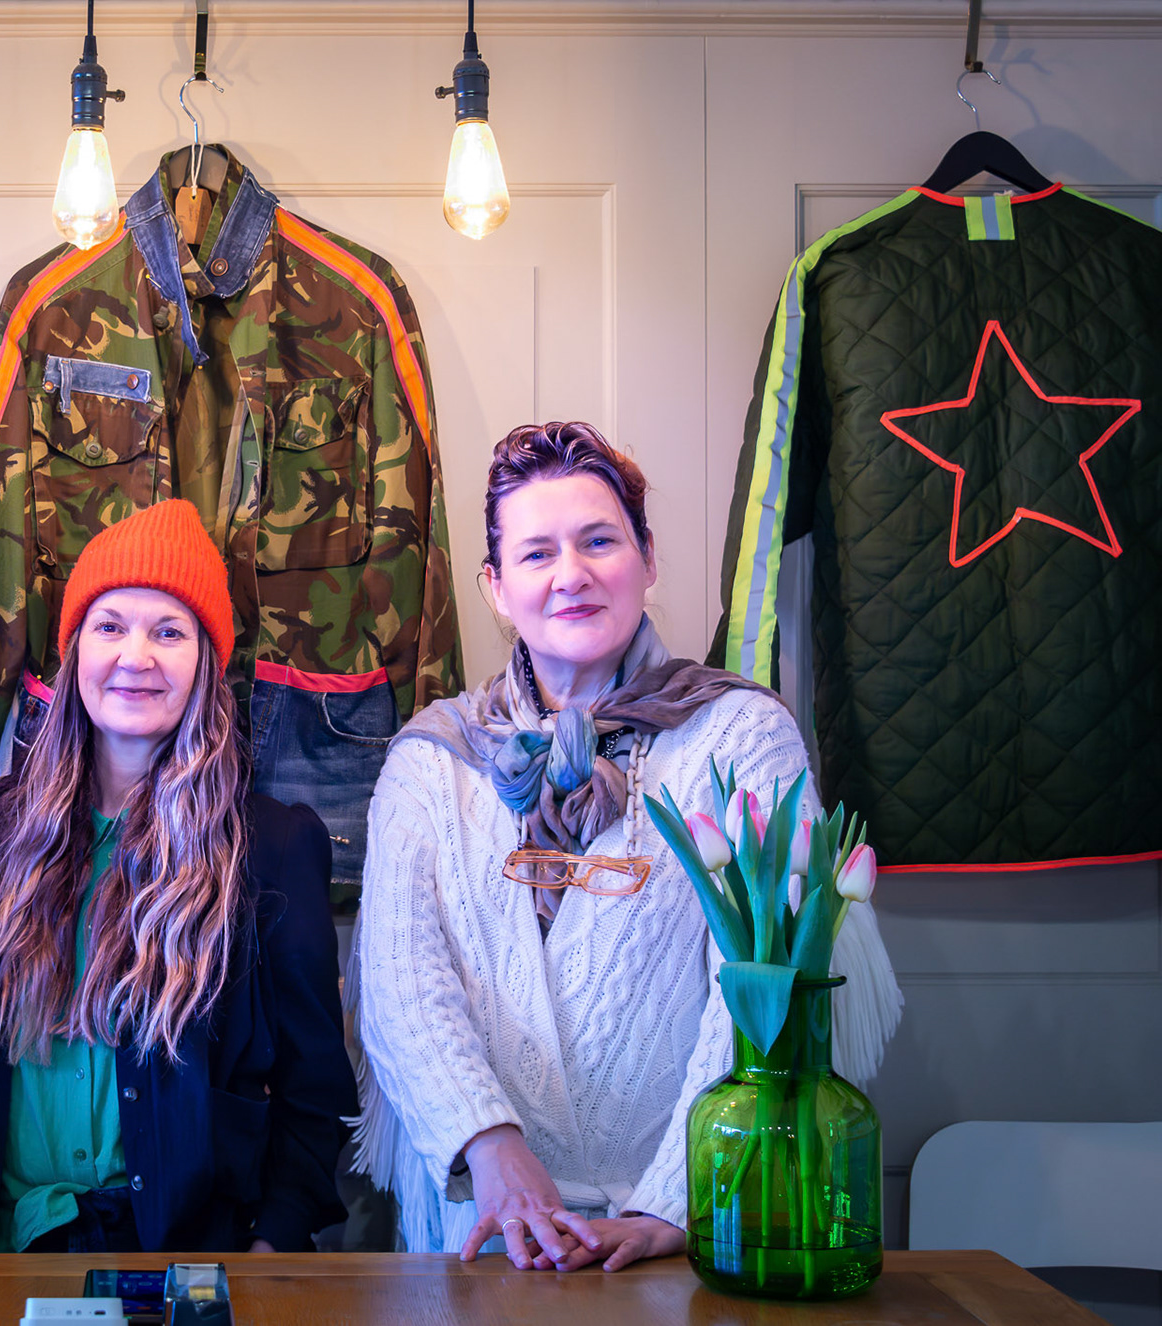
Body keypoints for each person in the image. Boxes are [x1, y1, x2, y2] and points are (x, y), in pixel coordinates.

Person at [350, 422, 900, 1272]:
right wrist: (492, 1150)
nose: (570, 574)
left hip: (691, 1223)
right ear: (495, 588)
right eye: (536, 554)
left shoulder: (745, 734)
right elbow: (399, 984)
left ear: (647, 558)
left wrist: (674, 1203)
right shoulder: (431, 758)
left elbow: (770, 981)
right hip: (479, 1229)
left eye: (599, 540)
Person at [0, 499, 355, 1254]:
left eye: (170, 631)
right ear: (75, 648)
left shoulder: (272, 848)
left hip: (188, 1257)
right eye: (111, 625)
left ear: (208, 663)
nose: (135, 656)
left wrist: (268, 1246)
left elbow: (315, 1094)